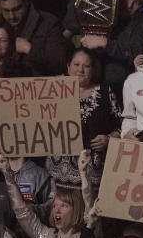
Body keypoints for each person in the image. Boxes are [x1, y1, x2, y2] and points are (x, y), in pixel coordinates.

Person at [46, 49, 122, 195]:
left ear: (93, 70)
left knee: (90, 216)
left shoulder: (106, 92)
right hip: (59, 173)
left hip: (94, 173)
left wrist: (109, 139)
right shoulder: (53, 90)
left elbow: (122, 125)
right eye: (76, 64)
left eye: (86, 66)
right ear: (68, 66)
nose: (80, 70)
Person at [71, 0, 143, 86]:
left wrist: (106, 43)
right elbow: (72, 23)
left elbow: (135, 54)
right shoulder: (101, 8)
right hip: (87, 78)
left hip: (118, 83)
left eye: (137, 2)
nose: (129, 5)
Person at [0, 0, 67, 76]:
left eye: (17, 9)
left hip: (36, 85)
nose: (11, 16)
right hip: (2, 85)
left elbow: (60, 63)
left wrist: (29, 49)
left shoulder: (48, 23)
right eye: (5, 10)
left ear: (26, 2)